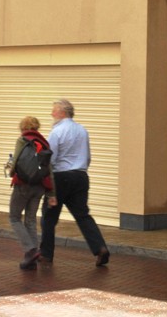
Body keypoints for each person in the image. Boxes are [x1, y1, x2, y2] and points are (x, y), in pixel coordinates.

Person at [39, 98, 110, 267]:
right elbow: (88, 156)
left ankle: (46, 254)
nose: (51, 113)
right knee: (83, 215)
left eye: (54, 110)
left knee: (49, 217)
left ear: (62, 112)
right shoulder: (82, 130)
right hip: (80, 176)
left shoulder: (56, 132)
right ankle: (100, 247)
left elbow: (51, 158)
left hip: (60, 177)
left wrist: (45, 178)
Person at [6, 116, 57, 270]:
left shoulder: (22, 140)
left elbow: (15, 161)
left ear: (23, 127)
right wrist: (51, 193)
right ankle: (32, 258)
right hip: (39, 187)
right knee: (30, 220)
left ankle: (30, 250)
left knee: (14, 217)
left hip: (23, 185)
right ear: (37, 127)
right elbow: (49, 170)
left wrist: (11, 171)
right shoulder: (44, 143)